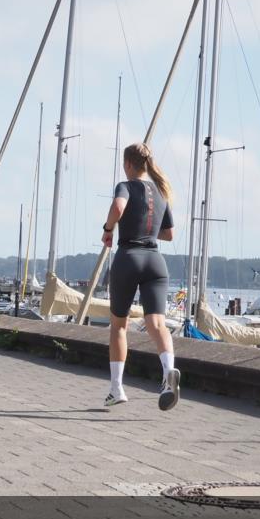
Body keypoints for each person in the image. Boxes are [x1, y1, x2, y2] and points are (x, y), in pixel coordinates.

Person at [101, 142, 180, 410]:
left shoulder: (125, 186)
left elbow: (117, 208)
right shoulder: (160, 192)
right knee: (157, 324)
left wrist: (108, 228)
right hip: (155, 262)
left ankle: (116, 389)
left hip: (129, 258)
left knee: (119, 326)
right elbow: (168, 234)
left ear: (127, 165)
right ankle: (169, 371)